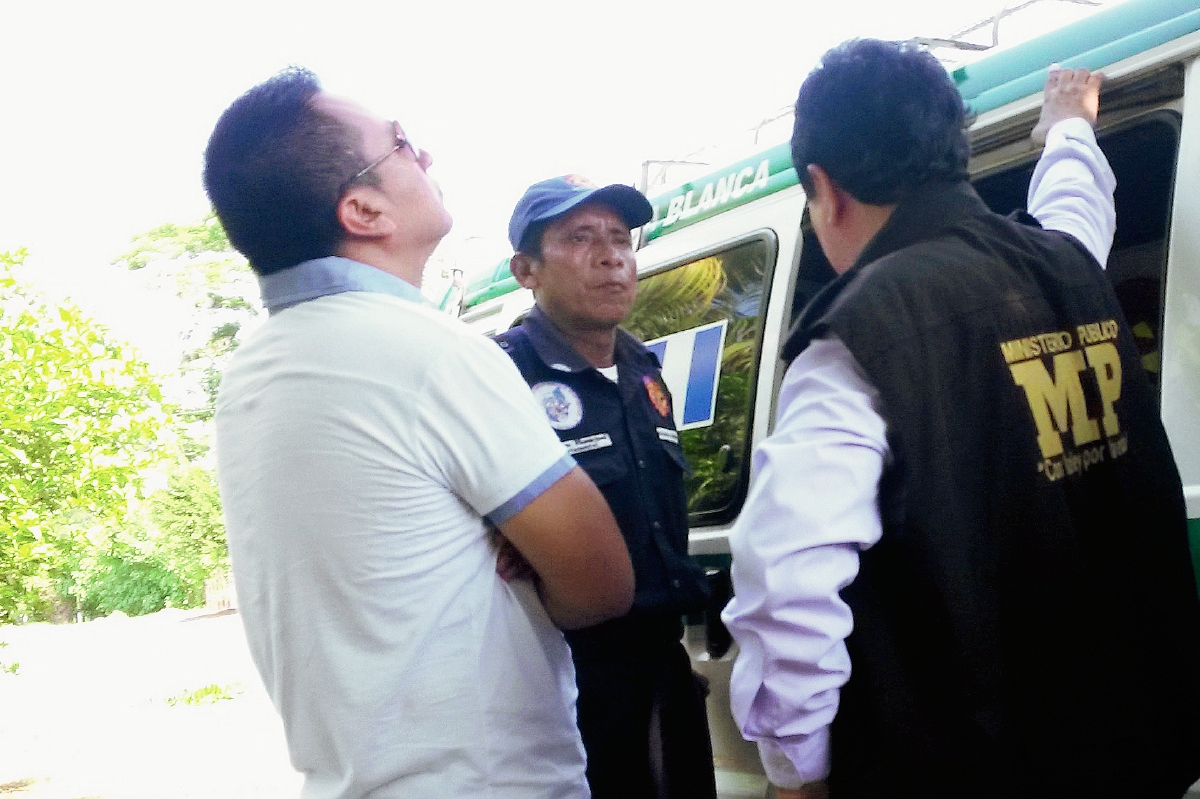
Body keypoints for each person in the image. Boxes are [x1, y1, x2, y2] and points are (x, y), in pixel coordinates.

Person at [721, 40, 1200, 799]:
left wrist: (795, 771)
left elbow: (784, 585)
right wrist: (1070, 129)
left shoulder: (853, 343)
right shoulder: (1067, 266)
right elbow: (1076, 211)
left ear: (824, 188)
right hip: (1139, 747)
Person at [203, 68, 635, 799]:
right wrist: (528, 555)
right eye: (402, 144)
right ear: (363, 209)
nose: (426, 157)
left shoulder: (250, 374)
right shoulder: (429, 349)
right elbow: (602, 583)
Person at [494, 176, 717, 799]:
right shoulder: (501, 372)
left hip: (666, 669)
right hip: (572, 682)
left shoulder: (644, 367)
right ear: (526, 269)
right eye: (580, 237)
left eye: (620, 238)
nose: (611, 255)